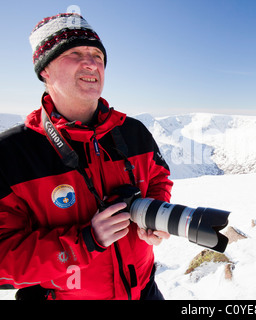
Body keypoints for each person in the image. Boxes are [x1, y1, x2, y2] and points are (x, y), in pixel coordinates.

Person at [0, 12, 173, 300]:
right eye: (75, 53)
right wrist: (85, 241)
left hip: (144, 292)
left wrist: (153, 214)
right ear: (44, 70)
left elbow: (159, 178)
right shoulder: (11, 154)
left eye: (97, 54)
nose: (91, 62)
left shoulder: (133, 132)